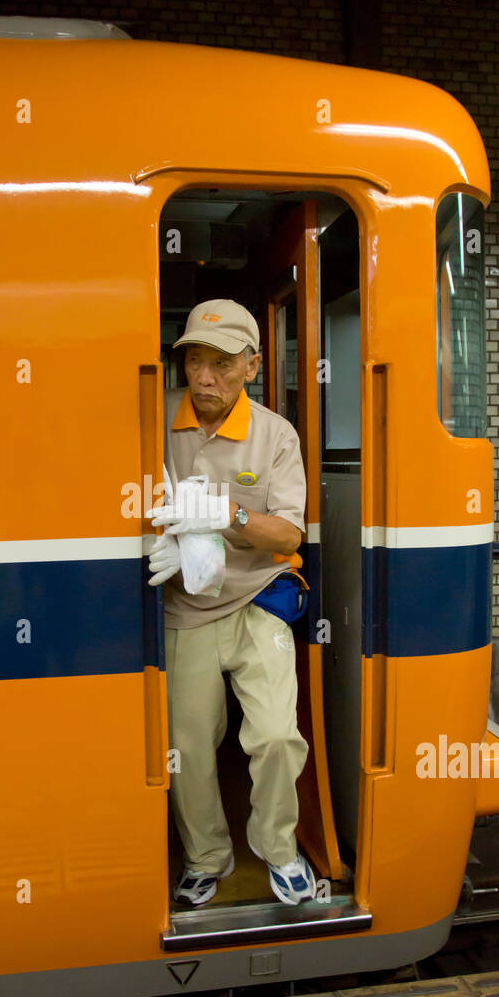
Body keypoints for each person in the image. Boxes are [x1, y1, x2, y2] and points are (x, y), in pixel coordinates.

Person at [148, 298, 316, 907]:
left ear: (253, 366)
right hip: (185, 605)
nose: (204, 376)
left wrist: (229, 514)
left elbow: (290, 536)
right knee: (187, 746)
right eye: (194, 359)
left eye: (221, 362)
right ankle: (206, 857)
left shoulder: (275, 435)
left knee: (274, 736)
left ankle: (278, 846)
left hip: (253, 601)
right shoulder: (156, 416)